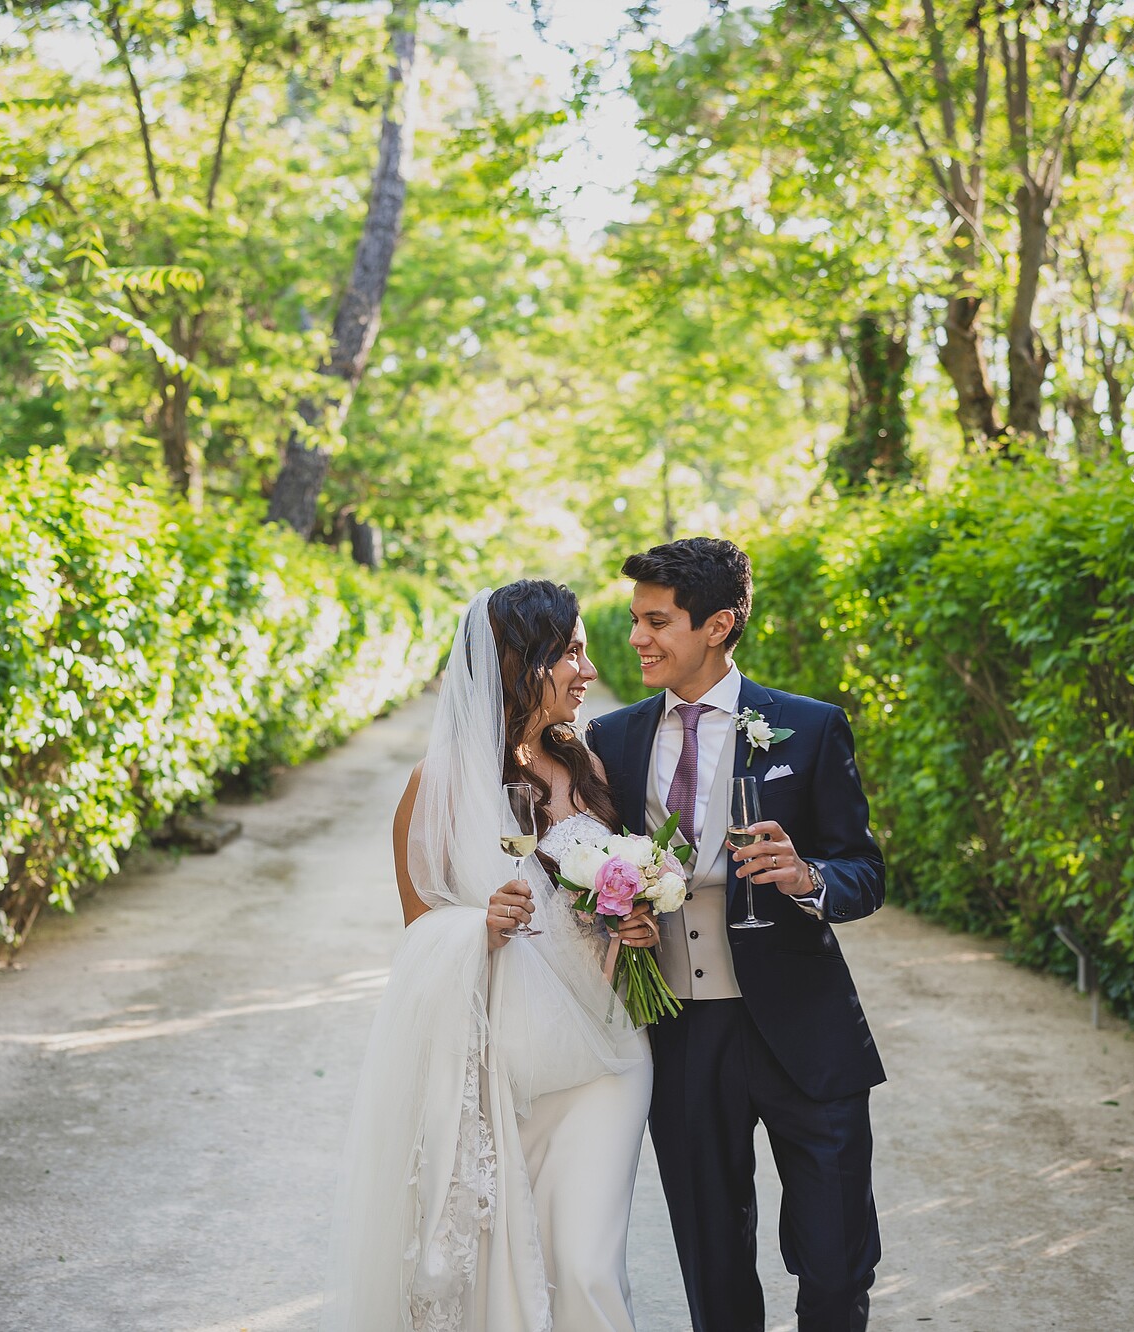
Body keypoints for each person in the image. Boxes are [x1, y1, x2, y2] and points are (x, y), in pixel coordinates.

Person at [324, 580, 660, 1332]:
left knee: (586, 1264)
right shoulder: (436, 786)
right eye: (571, 653)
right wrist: (479, 926)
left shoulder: (588, 768)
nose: (589, 670)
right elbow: (419, 936)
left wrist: (637, 924)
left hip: (607, 1055)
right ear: (521, 662)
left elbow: (607, 903)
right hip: (502, 1067)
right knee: (508, 1264)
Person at [586, 537, 887, 1332]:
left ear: (718, 625)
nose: (637, 638)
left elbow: (865, 871)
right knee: (713, 1260)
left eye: (657, 621)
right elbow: (590, 874)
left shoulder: (809, 728)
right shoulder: (612, 740)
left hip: (806, 1029)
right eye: (635, 619)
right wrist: (618, 913)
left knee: (836, 1257)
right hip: (681, 1033)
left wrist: (809, 877)